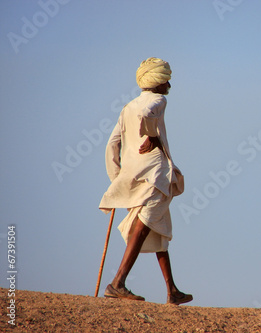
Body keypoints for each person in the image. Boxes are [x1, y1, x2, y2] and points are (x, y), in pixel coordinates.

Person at [99, 57, 192, 305]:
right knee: (142, 228)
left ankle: (172, 290)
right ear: (158, 82)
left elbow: (112, 144)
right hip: (154, 178)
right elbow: (148, 114)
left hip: (136, 178)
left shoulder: (128, 106)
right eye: (166, 79)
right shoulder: (158, 100)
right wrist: (152, 135)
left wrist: (118, 180)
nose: (169, 83)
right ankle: (117, 283)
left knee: (157, 228)